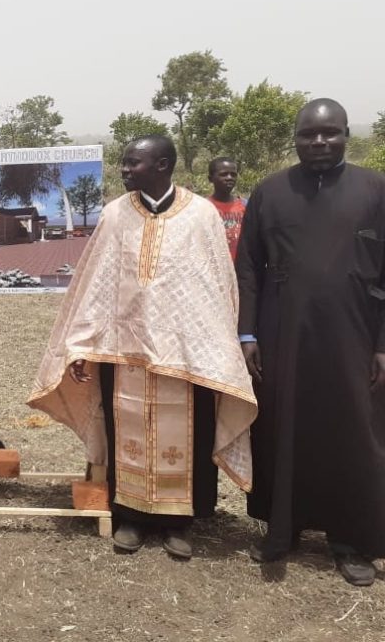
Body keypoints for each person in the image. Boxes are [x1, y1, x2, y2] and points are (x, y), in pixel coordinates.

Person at [27, 135, 256, 558]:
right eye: (125, 164)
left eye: (133, 163)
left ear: (163, 164)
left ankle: (179, 523)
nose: (125, 170)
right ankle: (129, 517)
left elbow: (218, 287)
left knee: (188, 435)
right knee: (125, 431)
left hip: (186, 355)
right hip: (124, 349)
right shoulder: (115, 214)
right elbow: (94, 285)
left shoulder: (201, 215)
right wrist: (81, 345)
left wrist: (218, 343)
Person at [237, 98, 385, 586]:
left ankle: (351, 540)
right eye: (308, 134)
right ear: (295, 138)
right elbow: (248, 269)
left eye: (330, 133)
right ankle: (284, 530)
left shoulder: (374, 189)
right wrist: (248, 332)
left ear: (346, 134)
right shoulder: (270, 192)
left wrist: (382, 344)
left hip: (355, 332)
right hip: (283, 331)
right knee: (284, 426)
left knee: (353, 432)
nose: (318, 142)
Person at [207, 157, 247, 261]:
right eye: (223, 174)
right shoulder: (204, 208)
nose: (229, 177)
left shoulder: (245, 205)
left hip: (240, 267)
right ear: (210, 179)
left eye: (233, 174)